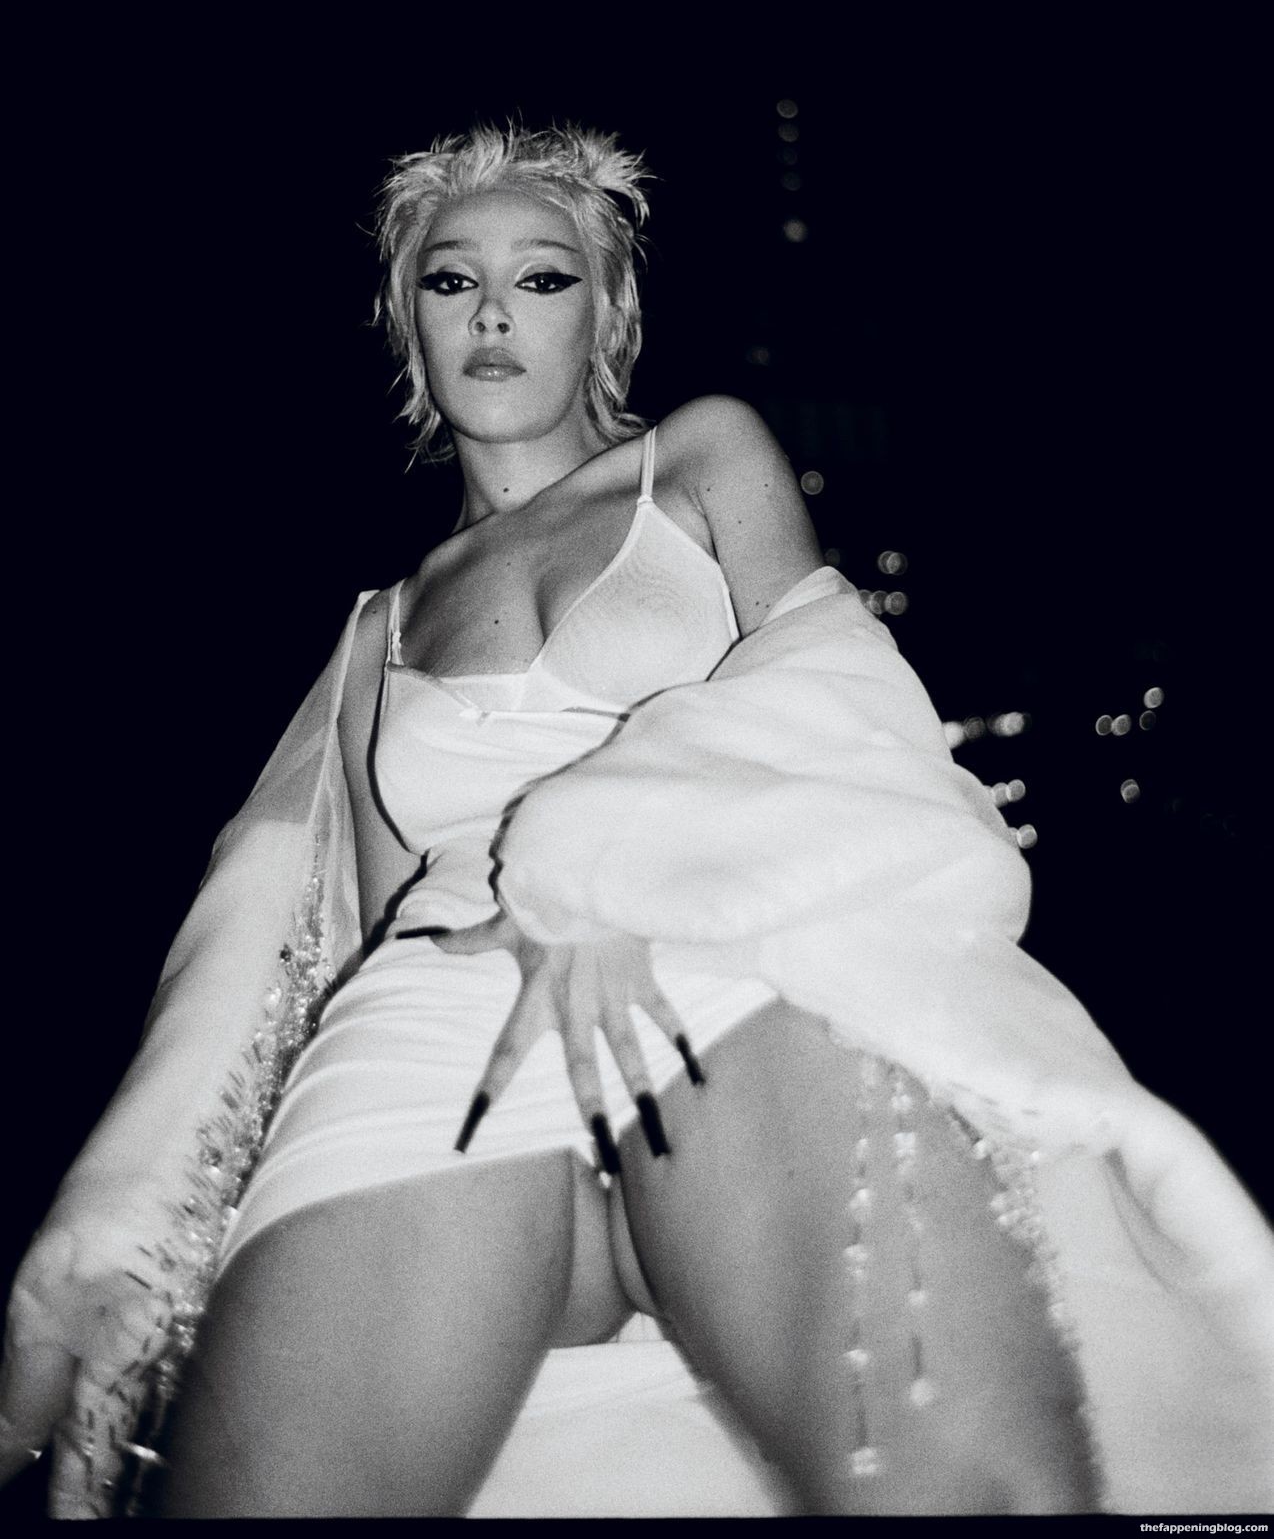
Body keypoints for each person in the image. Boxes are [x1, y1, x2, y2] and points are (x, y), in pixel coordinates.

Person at [2, 124, 1271, 1519]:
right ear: (405, 320)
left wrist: (600, 865)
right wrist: (126, 1227)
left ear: (606, 314)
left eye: (541, 278)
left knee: (959, 1489)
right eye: (450, 280)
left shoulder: (701, 458)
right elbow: (287, 923)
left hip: (718, 955)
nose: (493, 313)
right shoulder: (375, 629)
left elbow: (834, 675)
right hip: (444, 1022)